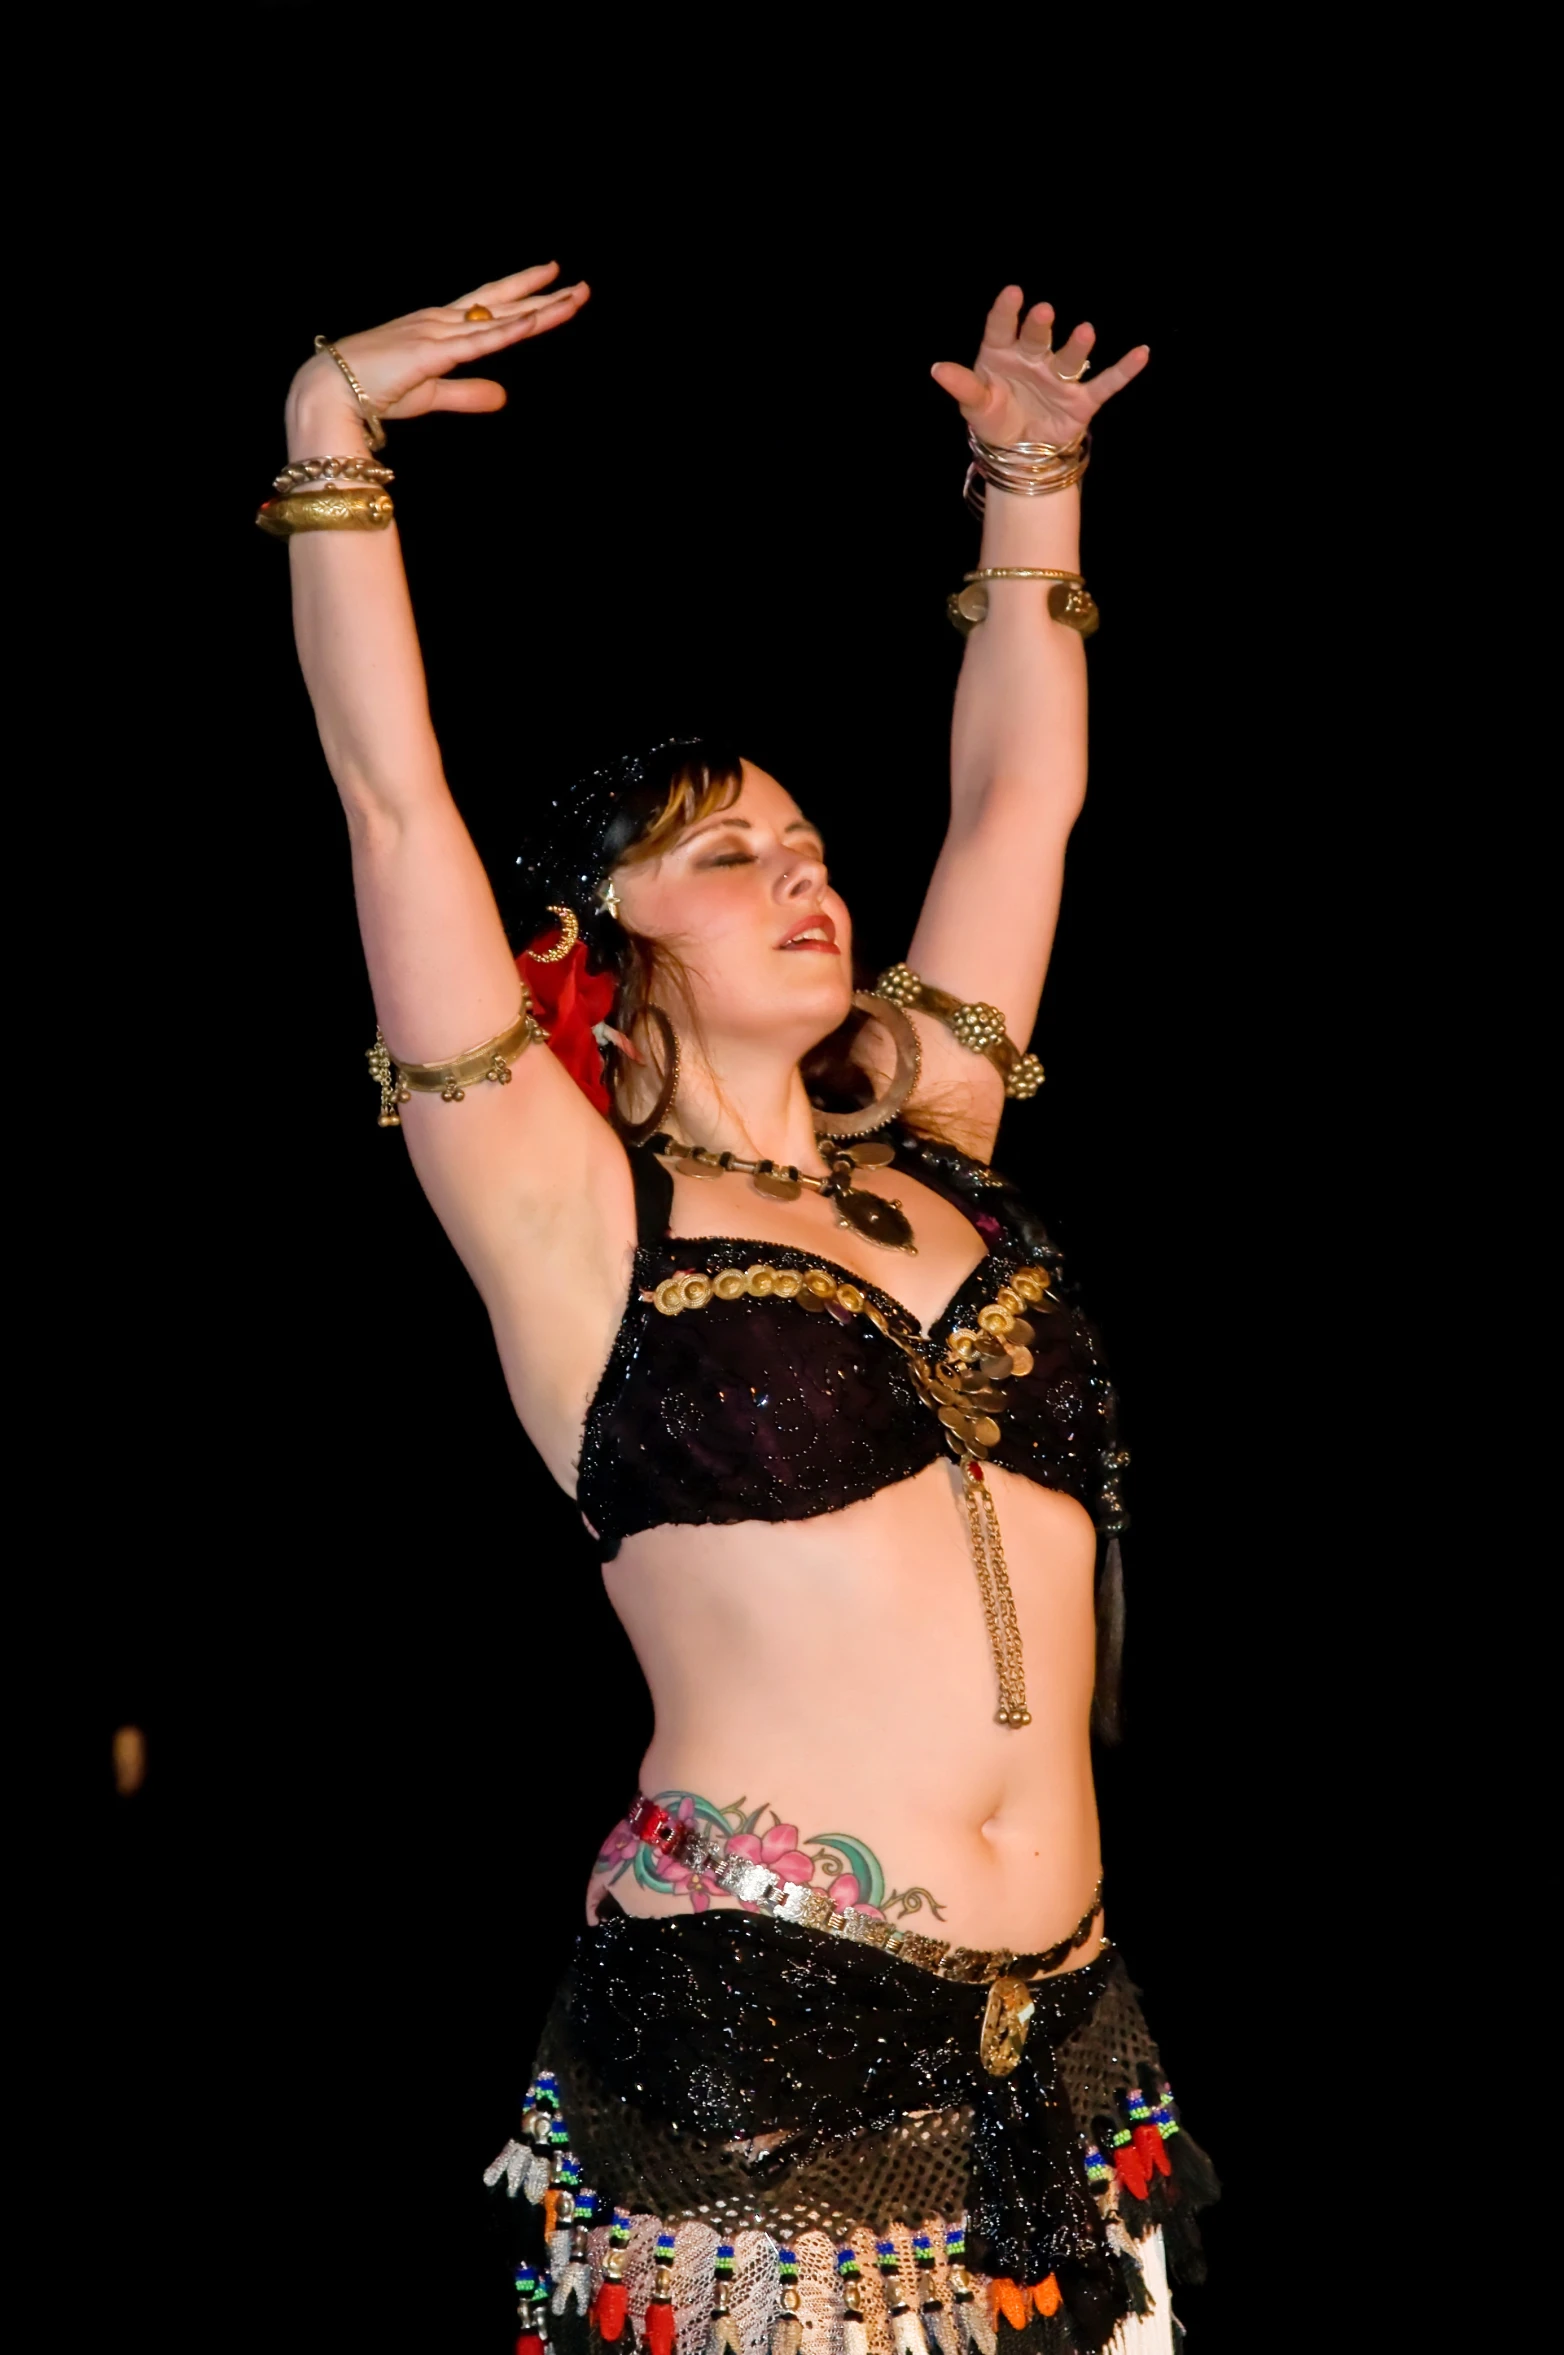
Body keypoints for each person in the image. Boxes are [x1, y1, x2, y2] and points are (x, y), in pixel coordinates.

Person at [269, 262, 1216, 2355]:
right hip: (756, 2047)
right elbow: (389, 801)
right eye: (725, 853)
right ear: (593, 941)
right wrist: (331, 454)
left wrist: (1029, 490)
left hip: (1066, 2042)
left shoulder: (937, 1144)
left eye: (805, 840)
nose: (805, 873)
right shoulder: (565, 1209)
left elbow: (1014, 807)